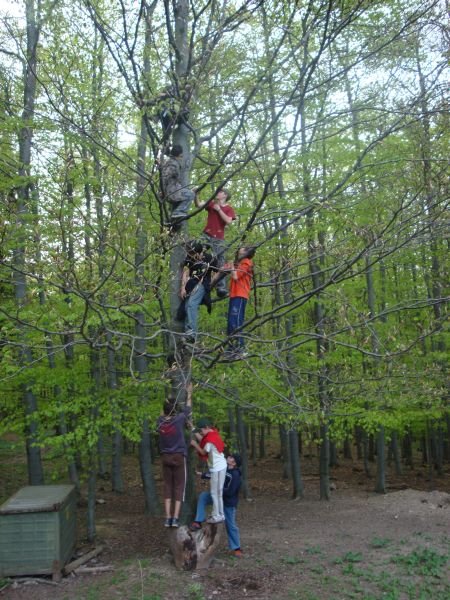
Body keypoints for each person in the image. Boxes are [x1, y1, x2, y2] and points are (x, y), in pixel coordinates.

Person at [189, 453, 243, 557]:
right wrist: (202, 474)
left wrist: (218, 489)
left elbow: (231, 491)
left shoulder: (235, 475)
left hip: (228, 503)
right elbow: (214, 474)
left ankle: (236, 548)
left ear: (234, 463)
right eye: (229, 456)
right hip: (217, 497)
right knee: (204, 496)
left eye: (231, 457)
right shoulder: (223, 468)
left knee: (230, 525)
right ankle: (198, 521)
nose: (228, 457)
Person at [156, 383, 193, 528]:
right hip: (178, 456)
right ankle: (175, 518)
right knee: (179, 487)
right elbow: (188, 410)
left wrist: (166, 401)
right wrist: (189, 393)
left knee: (167, 486)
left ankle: (167, 518)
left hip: (165, 457)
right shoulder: (179, 419)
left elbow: (163, 413)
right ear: (175, 410)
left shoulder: (160, 423)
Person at [195, 188, 236, 297]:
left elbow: (228, 221)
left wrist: (219, 210)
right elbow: (198, 205)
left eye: (220, 192)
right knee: (195, 250)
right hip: (206, 235)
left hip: (218, 238)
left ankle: (221, 288)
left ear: (225, 195)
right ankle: (192, 280)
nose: (217, 193)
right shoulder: (212, 204)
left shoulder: (228, 208)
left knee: (220, 261)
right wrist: (196, 194)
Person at [178, 241, 217, 341]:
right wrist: (183, 288)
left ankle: (192, 333)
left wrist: (212, 284)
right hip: (191, 284)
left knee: (192, 304)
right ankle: (188, 334)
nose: (191, 255)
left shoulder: (209, 258)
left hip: (203, 283)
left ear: (199, 252)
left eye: (193, 253)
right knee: (187, 306)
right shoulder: (189, 258)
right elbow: (186, 272)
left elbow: (216, 272)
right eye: (190, 253)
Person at [190, 418, 227, 523]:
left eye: (201, 430)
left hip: (217, 468)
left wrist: (194, 444)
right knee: (219, 492)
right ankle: (220, 514)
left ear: (206, 427)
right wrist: (193, 428)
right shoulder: (213, 434)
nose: (201, 432)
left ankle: (216, 516)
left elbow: (203, 451)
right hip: (222, 466)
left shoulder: (209, 440)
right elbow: (203, 439)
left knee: (214, 493)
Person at [225, 246, 256, 358]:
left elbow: (235, 276)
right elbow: (225, 268)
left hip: (240, 295)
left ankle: (240, 348)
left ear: (246, 253)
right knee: (231, 323)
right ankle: (231, 349)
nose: (239, 252)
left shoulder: (246, 263)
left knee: (236, 322)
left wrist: (232, 266)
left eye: (241, 251)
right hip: (234, 295)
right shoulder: (239, 263)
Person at [160, 145, 195, 221]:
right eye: (181, 156)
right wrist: (162, 191)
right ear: (179, 155)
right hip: (171, 192)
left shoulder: (169, 161)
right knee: (191, 194)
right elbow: (165, 177)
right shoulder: (173, 164)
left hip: (171, 191)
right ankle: (178, 212)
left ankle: (172, 220)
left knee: (182, 198)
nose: (181, 158)